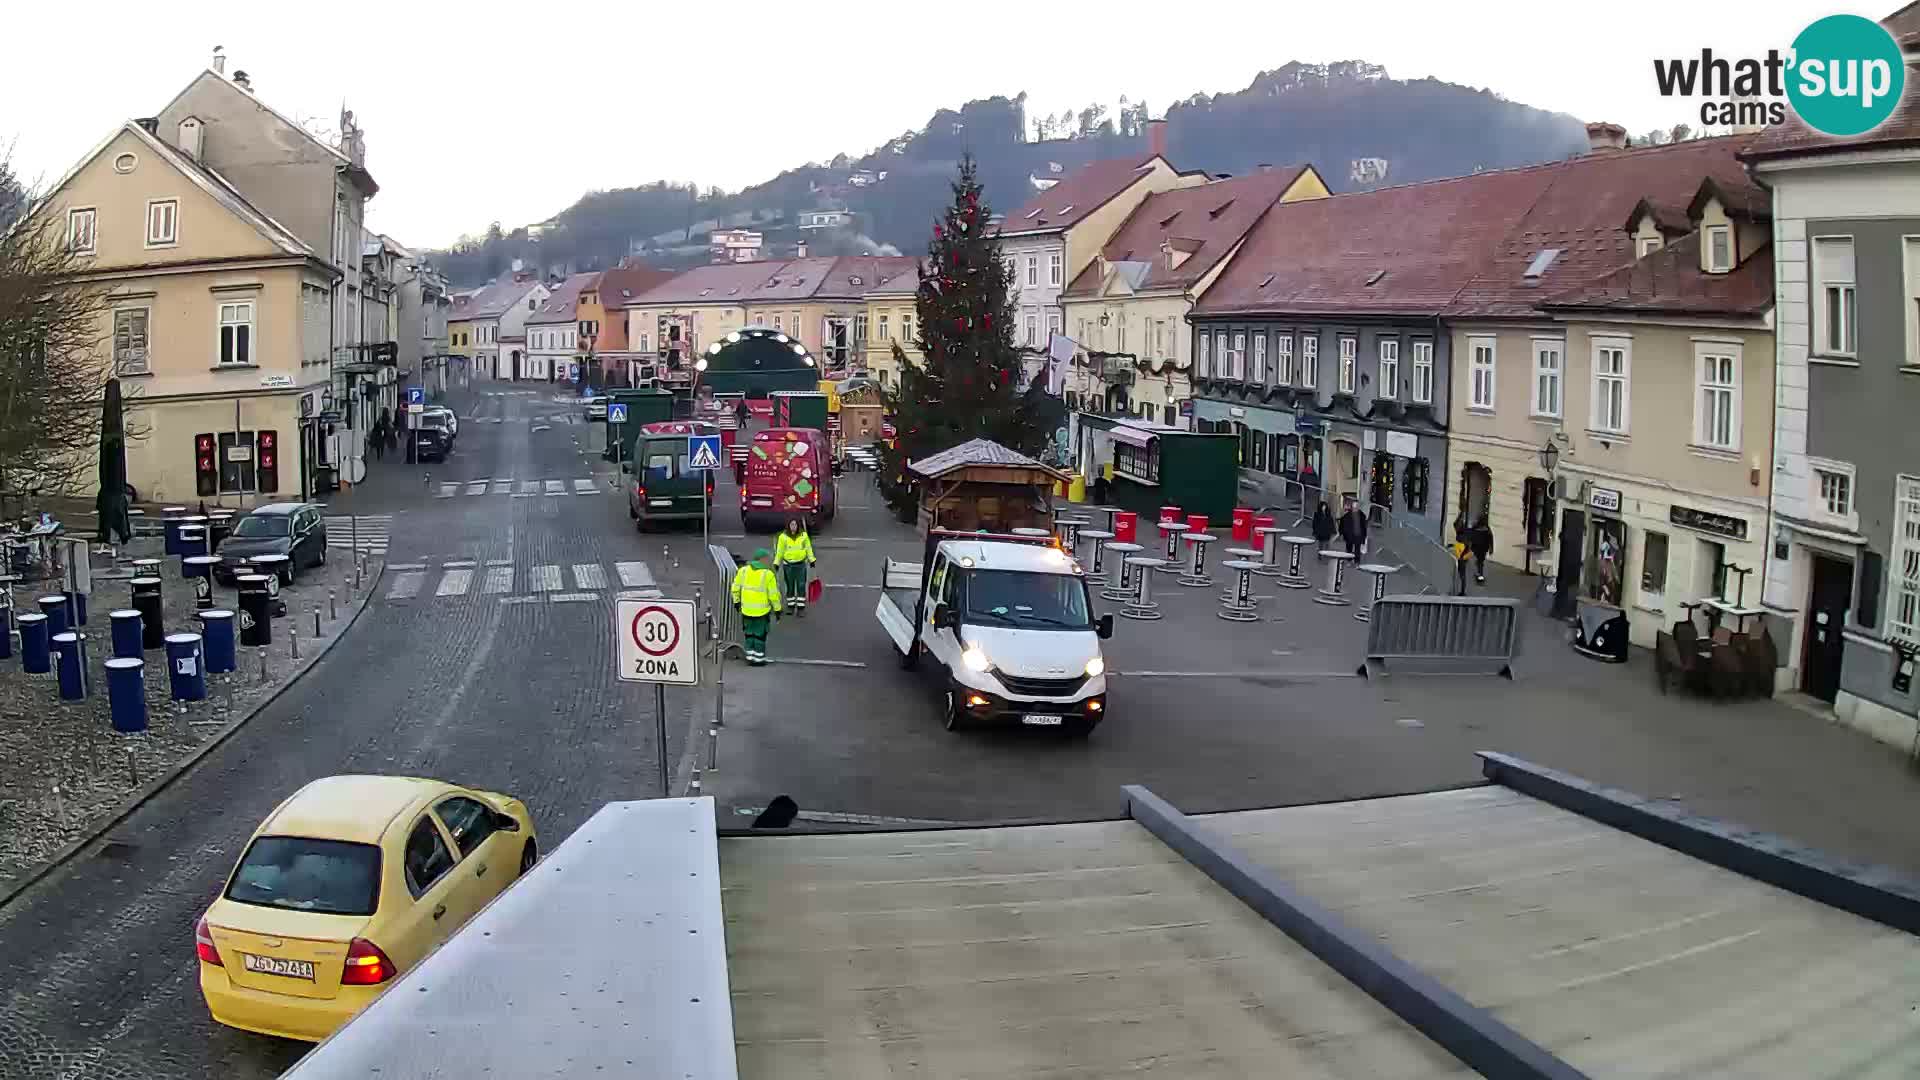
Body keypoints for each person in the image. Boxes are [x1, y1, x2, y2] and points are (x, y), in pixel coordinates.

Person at [730, 549, 782, 665]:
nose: (769, 562)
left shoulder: (743, 571)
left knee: (749, 634)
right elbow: (773, 595)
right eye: (768, 559)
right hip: (761, 612)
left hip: (746, 610)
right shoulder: (768, 574)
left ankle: (749, 657)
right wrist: (778, 610)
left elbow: (735, 588)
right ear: (762, 559)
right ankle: (758, 659)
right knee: (760, 636)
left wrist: (736, 602)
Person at [774, 518, 817, 616]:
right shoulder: (783, 537)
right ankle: (791, 606)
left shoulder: (803, 536)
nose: (793, 527)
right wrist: (776, 563)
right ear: (788, 525)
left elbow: (808, 548)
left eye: (795, 524)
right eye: (791, 524)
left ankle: (801, 608)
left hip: (801, 565)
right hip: (788, 565)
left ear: (798, 525)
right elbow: (779, 551)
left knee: (801, 585)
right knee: (790, 586)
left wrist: (812, 560)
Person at [1468, 514, 1494, 584]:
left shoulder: (1475, 527)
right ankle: (1480, 574)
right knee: (1480, 561)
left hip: (1477, 548)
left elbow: (1470, 536)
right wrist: (1491, 548)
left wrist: (1469, 546)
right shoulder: (1487, 528)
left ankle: (1479, 574)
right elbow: (1490, 538)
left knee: (1479, 561)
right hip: (1482, 548)